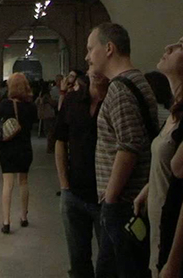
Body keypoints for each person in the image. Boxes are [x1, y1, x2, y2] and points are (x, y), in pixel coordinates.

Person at [85, 22, 158, 277]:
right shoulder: (137, 81)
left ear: (109, 49)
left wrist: (111, 199)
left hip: (124, 203)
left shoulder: (119, 88)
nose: (87, 57)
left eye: (90, 49)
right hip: (130, 200)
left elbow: (129, 147)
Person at [134, 37, 183, 278]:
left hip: (173, 234)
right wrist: (149, 187)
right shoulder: (174, 113)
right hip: (158, 222)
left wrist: (173, 262)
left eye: (180, 46)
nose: (168, 47)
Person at [55, 71, 109, 278]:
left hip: (106, 197)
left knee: (108, 264)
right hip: (75, 194)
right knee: (78, 263)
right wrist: (64, 185)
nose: (94, 70)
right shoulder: (72, 101)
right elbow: (60, 140)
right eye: (90, 65)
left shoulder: (116, 100)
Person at [0, 72, 37, 234]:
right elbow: (33, 124)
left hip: (8, 148)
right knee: (23, 182)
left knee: (7, 184)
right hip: (25, 148)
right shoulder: (31, 106)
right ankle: (23, 217)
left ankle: (6, 222)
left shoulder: (4, 105)